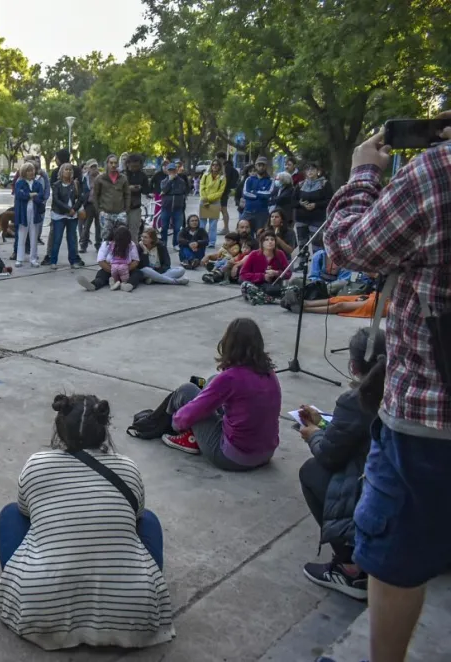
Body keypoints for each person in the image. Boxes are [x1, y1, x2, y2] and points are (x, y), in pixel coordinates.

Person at [324, 123, 451, 662]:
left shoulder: (438, 171)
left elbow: (348, 244)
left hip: (430, 413)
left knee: (397, 555)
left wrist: (363, 174)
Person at [0, 393, 173, 651]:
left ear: (59, 428)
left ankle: (40, 579)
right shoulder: (128, 467)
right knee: (149, 520)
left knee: (11, 514)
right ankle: (125, 584)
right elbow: (137, 516)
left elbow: (25, 511)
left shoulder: (36, 464)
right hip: (134, 613)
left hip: (39, 609)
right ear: (104, 429)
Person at [298, 328, 386, 601]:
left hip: (371, 487)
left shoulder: (356, 400)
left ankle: (349, 567)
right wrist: (323, 422)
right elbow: (354, 433)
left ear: (353, 365)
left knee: (312, 471)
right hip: (400, 489)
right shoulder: (396, 390)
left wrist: (313, 434)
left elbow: (329, 454)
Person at [162, 318, 281, 469]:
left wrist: (176, 422)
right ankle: (193, 433)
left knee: (187, 391)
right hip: (266, 453)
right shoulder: (269, 372)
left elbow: (190, 413)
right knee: (212, 381)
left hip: (234, 457)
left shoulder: (230, 378)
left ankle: (185, 434)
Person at [48, 162, 85, 270]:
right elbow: (56, 200)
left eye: (70, 170)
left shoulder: (75, 184)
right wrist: (69, 209)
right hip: (59, 215)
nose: (68, 171)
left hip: (72, 215)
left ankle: (73, 261)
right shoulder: (57, 185)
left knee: (72, 239)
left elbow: (80, 198)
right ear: (61, 171)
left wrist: (74, 209)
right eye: (66, 169)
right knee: (57, 238)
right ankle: (53, 261)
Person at [240, 231, 291, 305]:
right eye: (266, 240)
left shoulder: (280, 254)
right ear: (261, 243)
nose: (270, 242)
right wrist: (262, 276)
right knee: (245, 285)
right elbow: (243, 274)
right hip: (257, 286)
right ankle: (275, 300)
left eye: (272, 239)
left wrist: (276, 273)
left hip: (274, 288)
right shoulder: (254, 254)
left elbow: (288, 273)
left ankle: (261, 299)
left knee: (294, 288)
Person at [92, 154, 131, 241]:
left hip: (120, 213)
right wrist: (99, 210)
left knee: (122, 238)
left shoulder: (123, 178)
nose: (113, 165)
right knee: (106, 239)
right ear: (107, 164)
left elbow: (127, 194)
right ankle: (105, 255)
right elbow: (95, 195)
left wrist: (126, 209)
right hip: (105, 213)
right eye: (111, 163)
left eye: (115, 163)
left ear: (117, 164)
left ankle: (120, 254)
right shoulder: (100, 179)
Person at [294, 162, 334, 246]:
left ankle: (317, 259)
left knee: (317, 246)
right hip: (301, 219)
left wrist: (316, 205)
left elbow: (330, 201)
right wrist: (301, 204)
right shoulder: (300, 185)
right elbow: (293, 201)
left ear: (318, 171)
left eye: (312, 169)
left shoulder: (325, 184)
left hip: (317, 219)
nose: (310, 171)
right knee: (302, 245)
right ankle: (302, 259)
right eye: (307, 169)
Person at [13, 162, 44, 268]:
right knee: (21, 235)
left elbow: (41, 197)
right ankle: (19, 258)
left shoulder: (37, 184)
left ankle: (33, 259)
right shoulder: (19, 183)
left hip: (34, 213)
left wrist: (32, 196)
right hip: (23, 213)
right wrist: (31, 194)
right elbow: (19, 195)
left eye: (32, 170)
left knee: (34, 236)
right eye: (28, 170)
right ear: (24, 172)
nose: (31, 172)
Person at [159, 162, 189, 248]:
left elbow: (181, 190)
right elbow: (164, 189)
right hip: (166, 207)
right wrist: (170, 181)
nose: (172, 172)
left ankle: (176, 243)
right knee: (164, 227)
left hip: (178, 207)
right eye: (170, 170)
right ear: (167, 171)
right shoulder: (164, 181)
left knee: (177, 228)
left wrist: (167, 192)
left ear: (176, 171)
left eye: (173, 170)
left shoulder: (181, 181)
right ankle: (163, 243)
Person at [241, 156, 274, 232]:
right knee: (244, 234)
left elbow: (268, 194)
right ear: (256, 166)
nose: (261, 167)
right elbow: (245, 193)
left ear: (266, 166)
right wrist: (260, 195)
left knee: (261, 236)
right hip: (248, 211)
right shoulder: (249, 179)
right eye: (259, 165)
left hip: (262, 213)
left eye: (263, 165)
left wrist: (253, 192)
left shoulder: (270, 180)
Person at [199, 159, 226, 247]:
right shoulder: (206, 175)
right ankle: (202, 241)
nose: (215, 166)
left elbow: (220, 192)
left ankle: (211, 242)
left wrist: (208, 198)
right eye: (213, 165)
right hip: (203, 201)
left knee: (213, 225)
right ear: (211, 166)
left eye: (217, 165)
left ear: (219, 167)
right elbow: (201, 187)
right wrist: (204, 198)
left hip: (215, 202)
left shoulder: (222, 177)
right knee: (202, 224)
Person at [105, 225, 140, 292]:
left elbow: (108, 258)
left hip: (115, 266)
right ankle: (123, 284)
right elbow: (135, 260)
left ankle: (116, 283)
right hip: (121, 266)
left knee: (137, 273)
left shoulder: (112, 244)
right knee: (103, 272)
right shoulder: (129, 244)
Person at [122, 153, 150, 235]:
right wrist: (128, 188)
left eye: (137, 166)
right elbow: (115, 189)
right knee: (121, 230)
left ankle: (133, 247)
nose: (135, 168)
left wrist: (140, 188)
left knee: (134, 231)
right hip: (121, 206)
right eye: (133, 166)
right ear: (128, 164)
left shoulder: (143, 175)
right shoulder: (122, 174)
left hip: (135, 207)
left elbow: (147, 190)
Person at [79, 159, 101, 252]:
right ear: (88, 168)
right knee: (87, 226)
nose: (94, 169)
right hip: (89, 204)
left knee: (99, 226)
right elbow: (81, 191)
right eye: (92, 167)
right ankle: (84, 245)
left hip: (100, 204)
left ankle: (98, 245)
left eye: (95, 166)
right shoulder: (84, 178)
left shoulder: (101, 177)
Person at [217, 152, 239, 234]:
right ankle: (225, 228)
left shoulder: (226, 167)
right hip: (225, 191)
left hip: (223, 191)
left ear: (221, 158)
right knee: (223, 210)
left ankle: (226, 228)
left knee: (224, 210)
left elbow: (225, 180)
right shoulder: (230, 167)